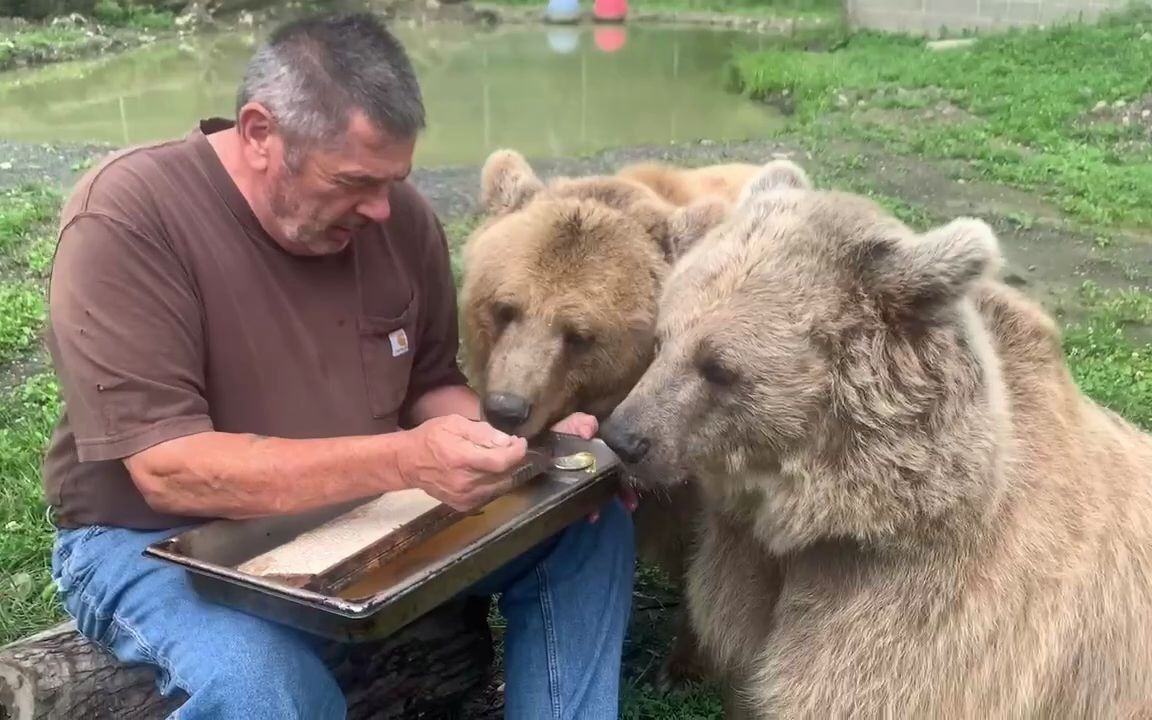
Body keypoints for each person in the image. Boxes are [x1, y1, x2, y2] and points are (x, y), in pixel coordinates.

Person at [41, 12, 637, 720]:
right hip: (157, 541)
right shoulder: (129, 218)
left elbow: (429, 388)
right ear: (260, 133)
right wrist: (405, 462)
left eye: (394, 180)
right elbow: (168, 469)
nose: (382, 208)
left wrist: (525, 449)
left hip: (363, 507)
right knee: (261, 685)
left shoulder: (397, 219)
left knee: (587, 523)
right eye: (354, 181)